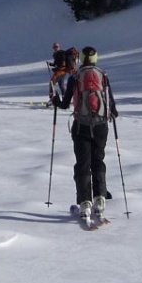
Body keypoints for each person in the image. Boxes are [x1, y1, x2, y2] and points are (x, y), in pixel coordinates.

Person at [55, 45, 117, 226]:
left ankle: (85, 203)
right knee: (98, 161)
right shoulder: (103, 75)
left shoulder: (75, 77)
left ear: (81, 59)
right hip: (101, 126)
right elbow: (112, 106)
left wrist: (54, 99)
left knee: (83, 164)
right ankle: (100, 200)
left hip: (81, 126)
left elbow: (65, 103)